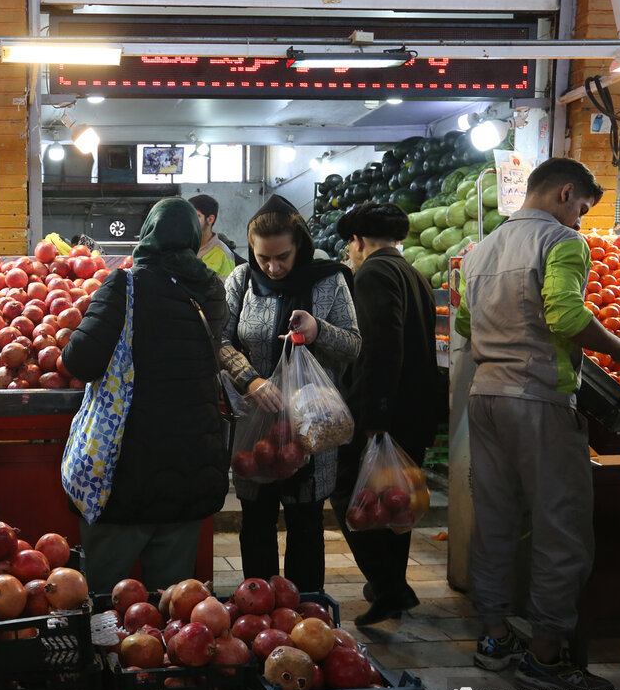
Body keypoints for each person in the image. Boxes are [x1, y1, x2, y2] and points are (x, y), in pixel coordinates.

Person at [457, 157, 620, 690]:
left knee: (494, 520)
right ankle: (545, 653)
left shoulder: (480, 251)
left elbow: (464, 321)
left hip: (485, 396)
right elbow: (565, 315)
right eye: (582, 209)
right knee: (560, 527)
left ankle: (495, 636)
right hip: (538, 398)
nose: (580, 221)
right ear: (566, 193)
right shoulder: (562, 242)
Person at [62, 197, 230, 590]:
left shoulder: (125, 284)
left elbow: (80, 361)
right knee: (173, 603)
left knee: (106, 601)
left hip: (125, 475)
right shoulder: (212, 291)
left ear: (149, 233)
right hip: (190, 470)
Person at [220, 195, 361, 592]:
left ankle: (307, 611)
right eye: (263, 257)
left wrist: (318, 329)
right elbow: (219, 339)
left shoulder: (329, 281)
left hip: (312, 426)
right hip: (256, 428)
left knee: (306, 525)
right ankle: (258, 609)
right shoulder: (241, 281)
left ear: (300, 244)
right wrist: (250, 380)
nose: (273, 267)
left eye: (282, 256)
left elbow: (354, 344)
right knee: (256, 522)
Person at [329, 202, 441, 625]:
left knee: (348, 492)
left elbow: (380, 350)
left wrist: (372, 418)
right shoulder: (414, 274)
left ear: (357, 241)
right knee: (395, 501)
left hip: (385, 411)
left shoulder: (373, 274)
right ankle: (389, 584)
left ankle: (389, 586)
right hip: (415, 410)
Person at [189, 194, 238, 277]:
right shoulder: (183, 247)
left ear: (210, 219)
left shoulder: (224, 254)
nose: (190, 220)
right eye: (188, 215)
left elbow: (227, 285)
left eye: (197, 216)